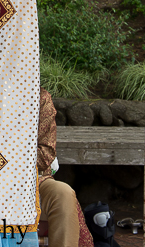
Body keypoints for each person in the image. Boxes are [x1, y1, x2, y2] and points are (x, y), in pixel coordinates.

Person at [38, 88, 94, 247]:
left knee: (62, 193)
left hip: (31, 180)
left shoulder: (39, 97)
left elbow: (45, 154)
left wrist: (8, 157)